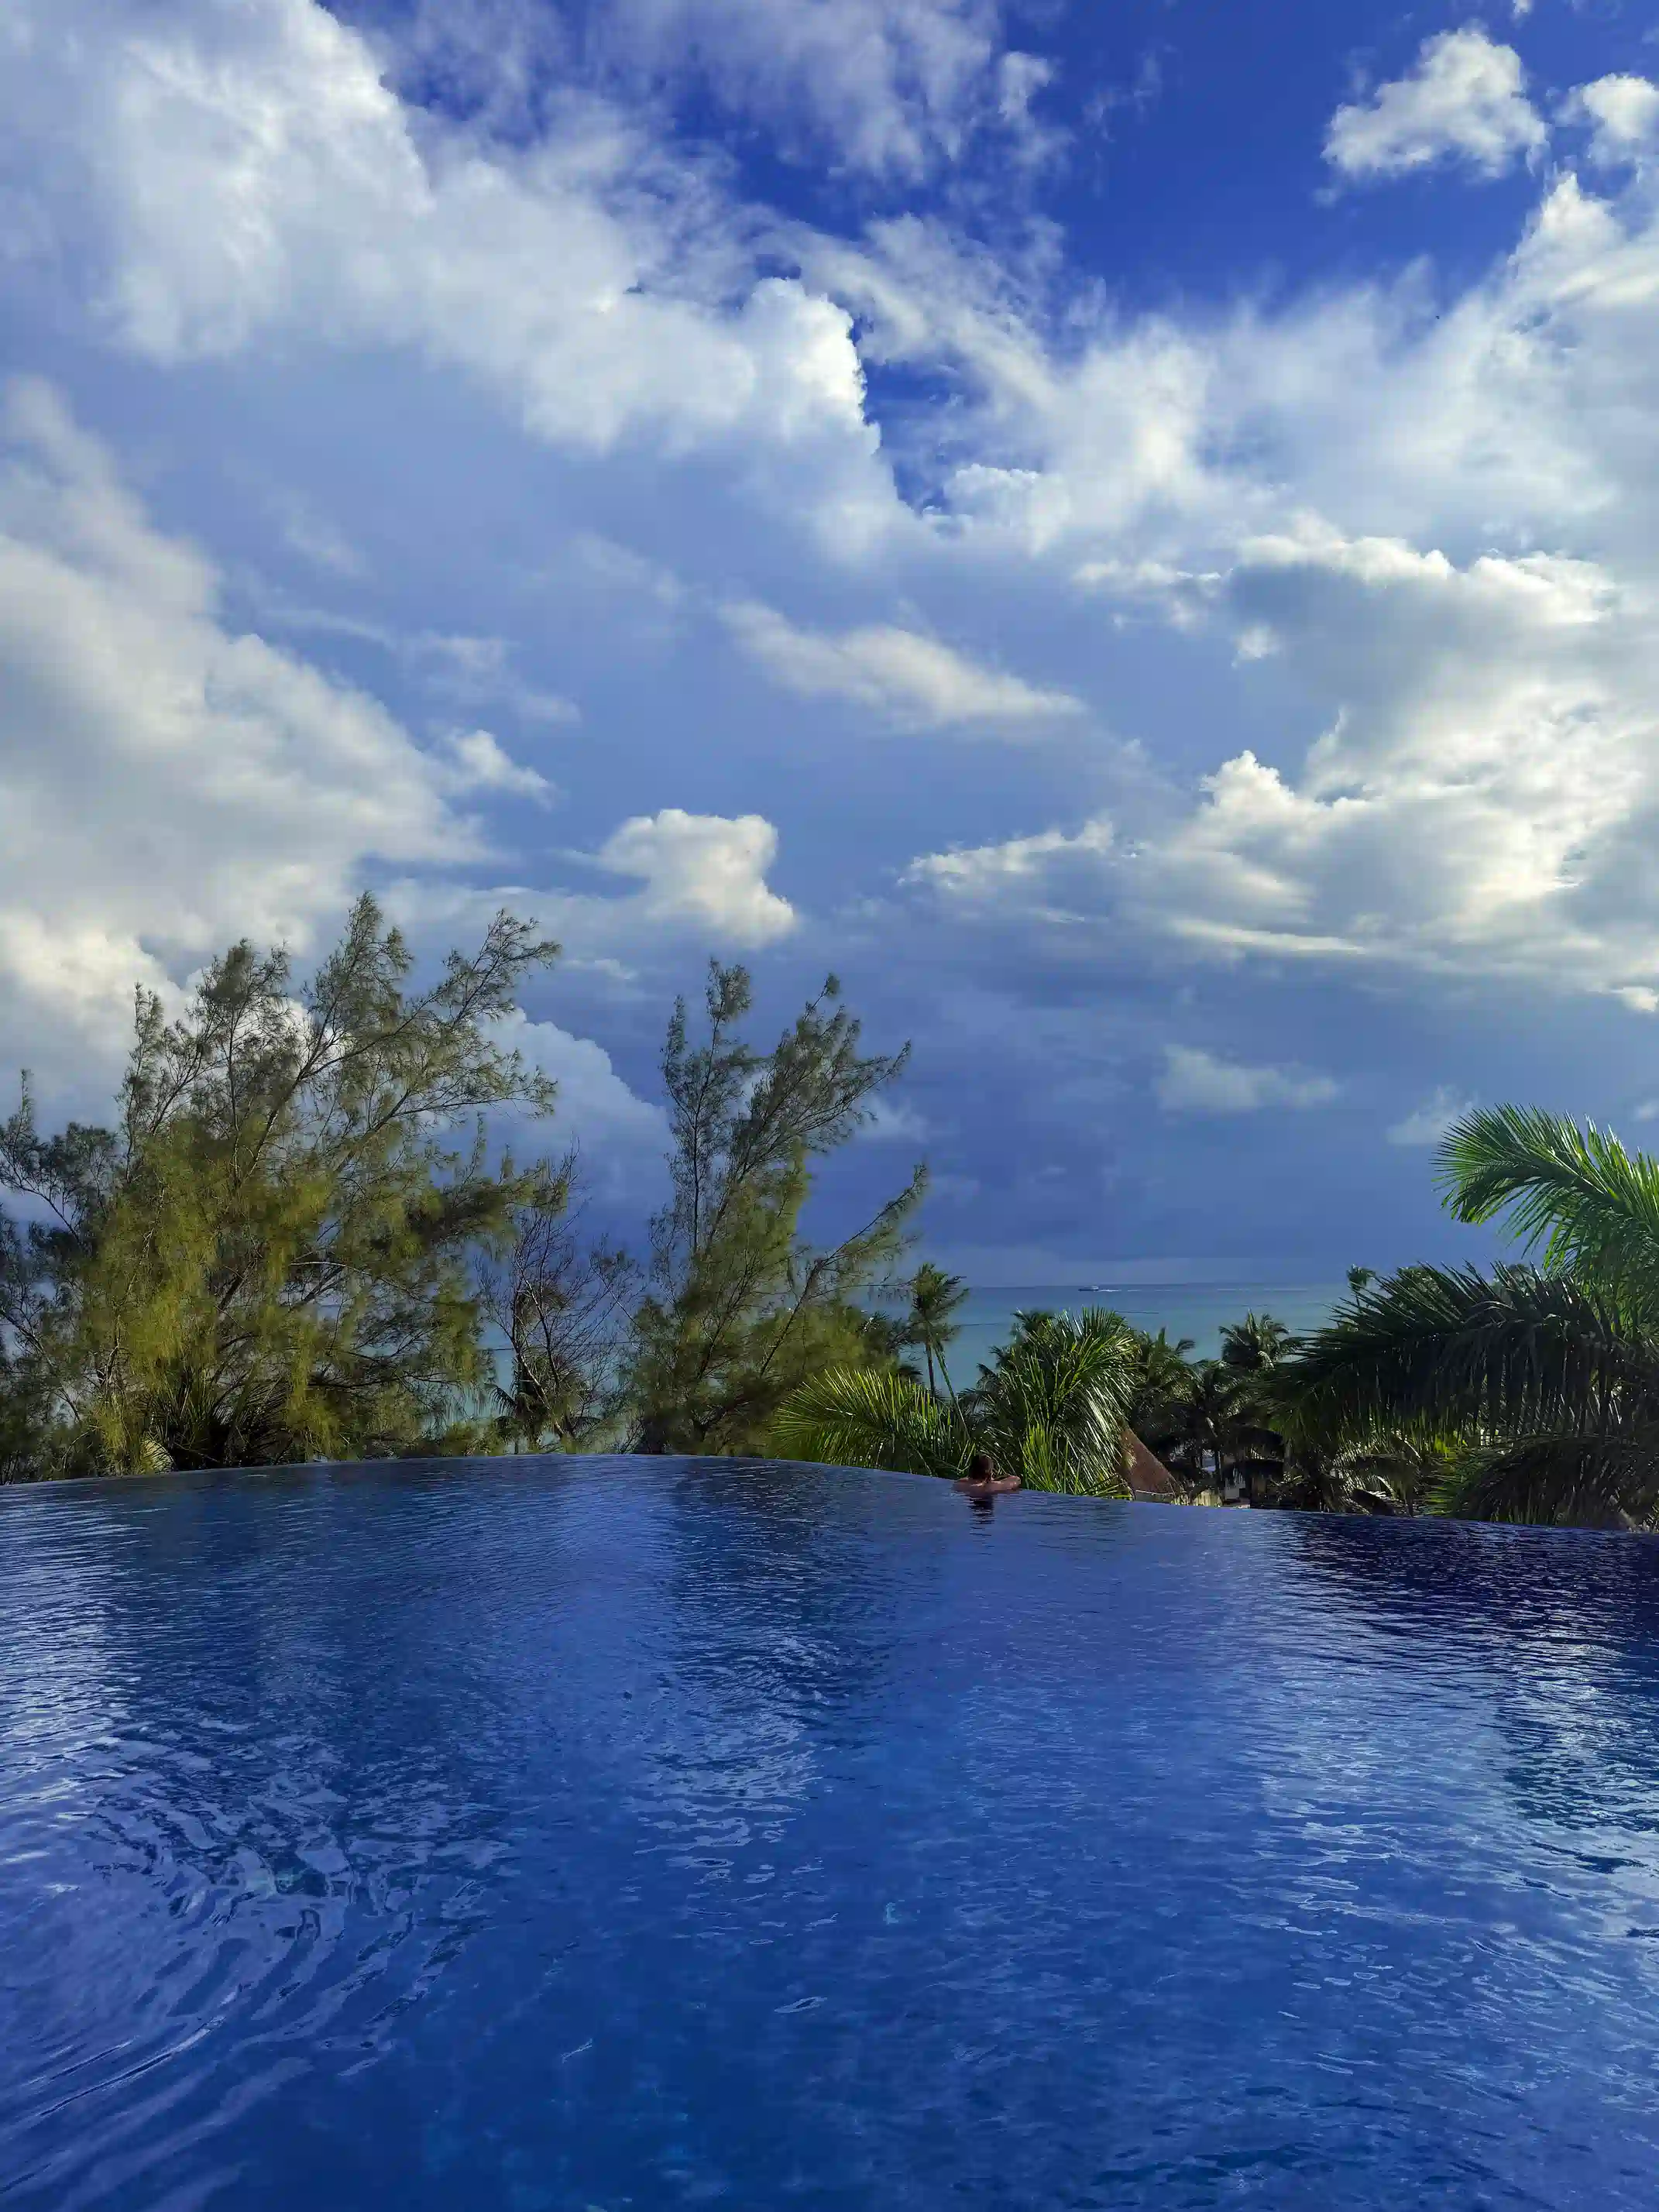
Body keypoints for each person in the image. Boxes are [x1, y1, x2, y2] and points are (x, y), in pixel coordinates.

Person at [955, 1450, 1022, 1498]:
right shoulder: (989, 1487)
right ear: (989, 1473)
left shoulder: (960, 1484)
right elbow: (1016, 1480)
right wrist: (994, 1480)